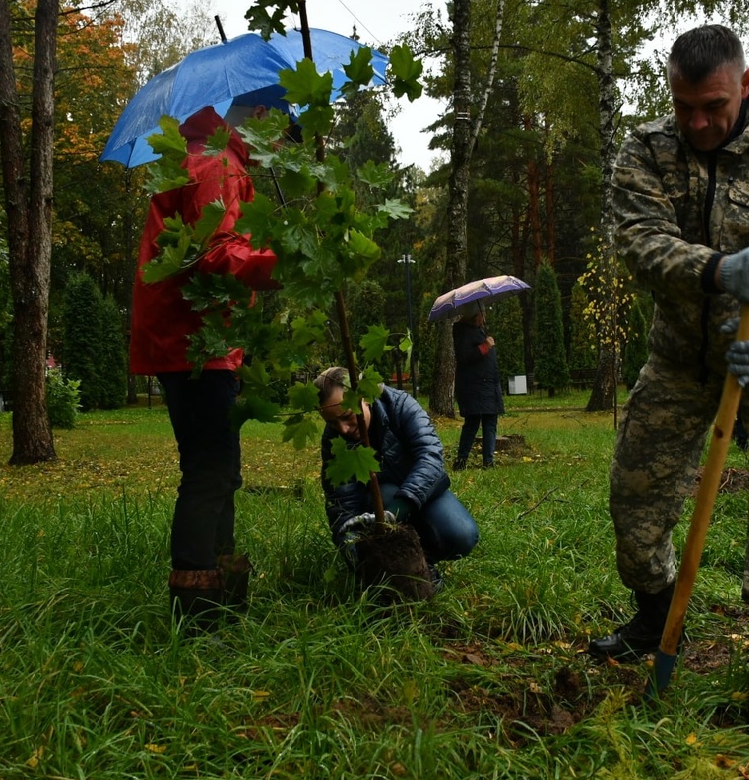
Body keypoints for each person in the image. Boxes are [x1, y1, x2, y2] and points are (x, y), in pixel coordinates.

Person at [591, 24, 749, 734]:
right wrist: (715, 268)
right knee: (634, 494)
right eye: (685, 106)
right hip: (681, 354)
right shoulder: (646, 150)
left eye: (714, 107)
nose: (698, 122)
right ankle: (654, 614)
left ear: (747, 84)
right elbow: (637, 243)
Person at [129, 105, 278, 628]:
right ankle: (197, 609)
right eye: (279, 127)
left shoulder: (214, 158)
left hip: (198, 338)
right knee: (209, 471)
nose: (279, 143)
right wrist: (280, 264)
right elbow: (218, 253)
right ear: (257, 115)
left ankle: (221, 591)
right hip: (195, 340)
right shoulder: (218, 164)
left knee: (220, 469)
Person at [314, 367, 480, 588]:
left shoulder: (400, 405)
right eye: (332, 423)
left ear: (364, 397)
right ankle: (410, 568)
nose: (342, 429)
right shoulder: (334, 441)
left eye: (346, 417)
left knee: (461, 534)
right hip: (375, 506)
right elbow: (342, 505)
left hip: (424, 494)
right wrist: (358, 558)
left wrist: (397, 510)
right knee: (385, 493)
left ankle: (424, 559)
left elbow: (430, 458)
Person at [452, 302, 505, 469]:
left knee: (490, 421)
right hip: (474, 386)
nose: (485, 317)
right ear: (476, 315)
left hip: (487, 386)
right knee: (472, 423)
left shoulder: (477, 331)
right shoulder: (462, 331)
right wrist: (486, 346)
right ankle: (461, 460)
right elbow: (465, 356)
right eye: (483, 313)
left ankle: (488, 462)